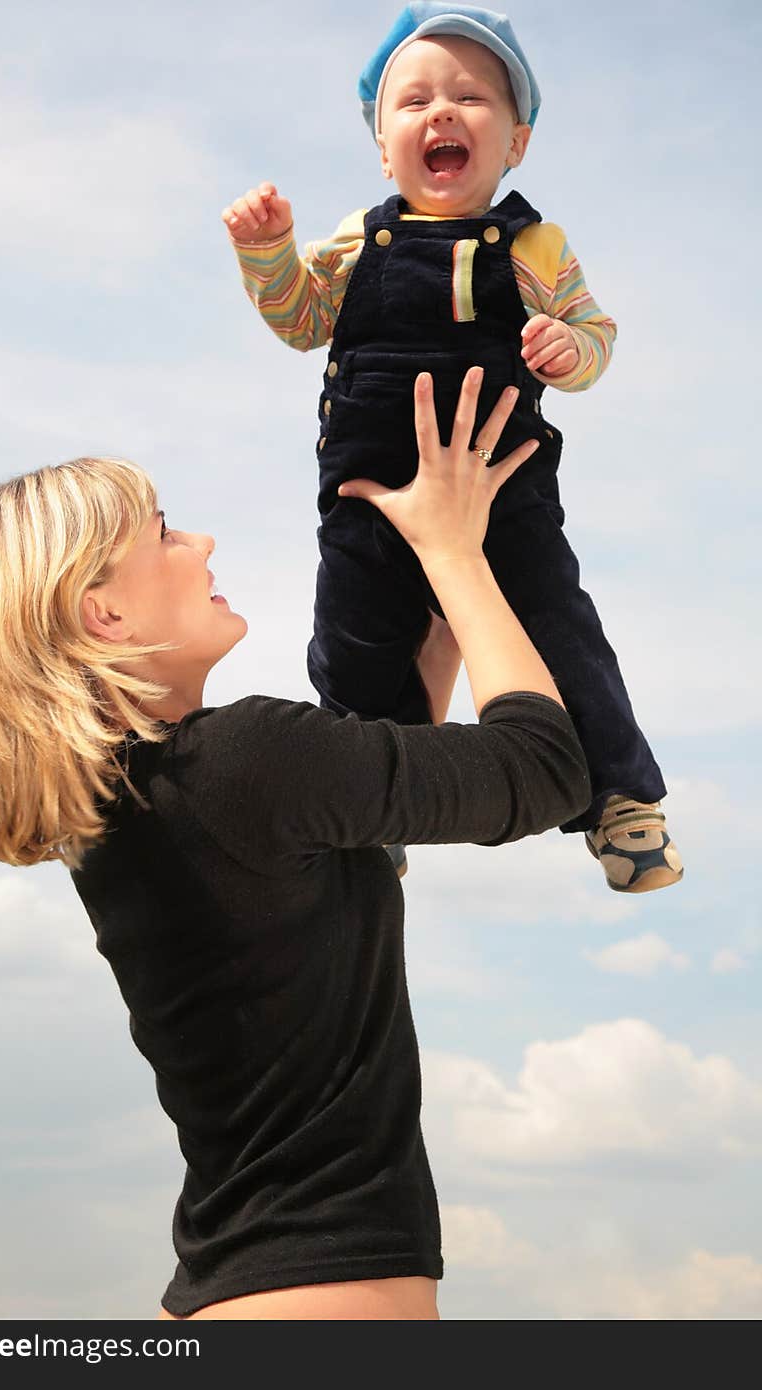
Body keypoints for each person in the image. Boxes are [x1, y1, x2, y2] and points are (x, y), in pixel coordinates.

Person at [0, 369, 590, 1320]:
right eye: (163, 533)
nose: (202, 542)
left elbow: (358, 844)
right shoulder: (243, 757)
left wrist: (433, 642)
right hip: (322, 1303)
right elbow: (546, 768)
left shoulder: (129, 809)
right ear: (104, 613)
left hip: (239, 1295)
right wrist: (456, 554)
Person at [222, 3, 683, 896]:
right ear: (382, 146)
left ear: (516, 142)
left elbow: (594, 332)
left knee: (557, 627)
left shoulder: (534, 245)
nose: (442, 112)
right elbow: (300, 322)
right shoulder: (357, 240)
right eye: (414, 101)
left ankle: (623, 800)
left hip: (501, 482)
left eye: (473, 97)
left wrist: (567, 346)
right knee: (351, 647)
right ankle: (368, 814)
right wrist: (268, 251)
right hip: (368, 488)